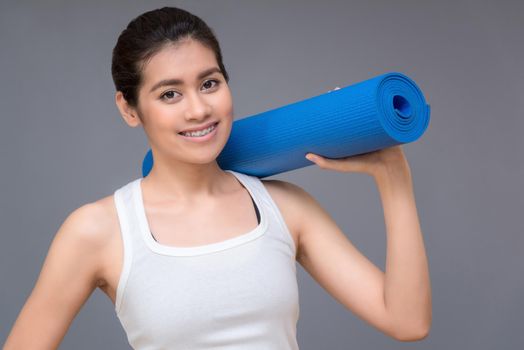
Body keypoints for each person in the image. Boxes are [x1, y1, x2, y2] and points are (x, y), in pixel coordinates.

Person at [3, 6, 431, 349]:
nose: (198, 110)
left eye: (209, 83)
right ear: (128, 108)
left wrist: (393, 178)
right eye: (170, 94)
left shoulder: (284, 207)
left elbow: (406, 321)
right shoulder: (97, 231)